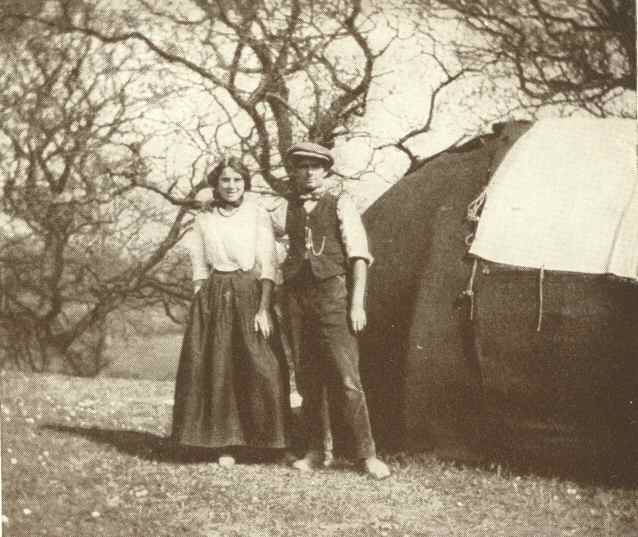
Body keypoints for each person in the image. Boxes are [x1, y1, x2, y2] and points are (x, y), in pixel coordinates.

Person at [273, 141, 390, 479]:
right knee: (308, 380)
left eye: (315, 166)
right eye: (301, 166)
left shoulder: (341, 204)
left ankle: (366, 455)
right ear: (294, 172)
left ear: (325, 170)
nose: (308, 172)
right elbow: (276, 247)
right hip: (296, 298)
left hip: (333, 297)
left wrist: (356, 303)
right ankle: (315, 451)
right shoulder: (285, 209)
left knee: (347, 379)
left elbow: (359, 257)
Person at [171, 156, 290, 467]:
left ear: (245, 184)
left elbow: (268, 263)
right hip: (214, 294)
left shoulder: (257, 214)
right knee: (217, 367)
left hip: (251, 292)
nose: (231, 185)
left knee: (263, 366)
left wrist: (264, 307)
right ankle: (224, 443)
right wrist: (201, 302)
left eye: (237, 180)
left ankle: (270, 443)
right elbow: (198, 264)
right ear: (216, 184)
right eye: (225, 180)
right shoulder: (204, 219)